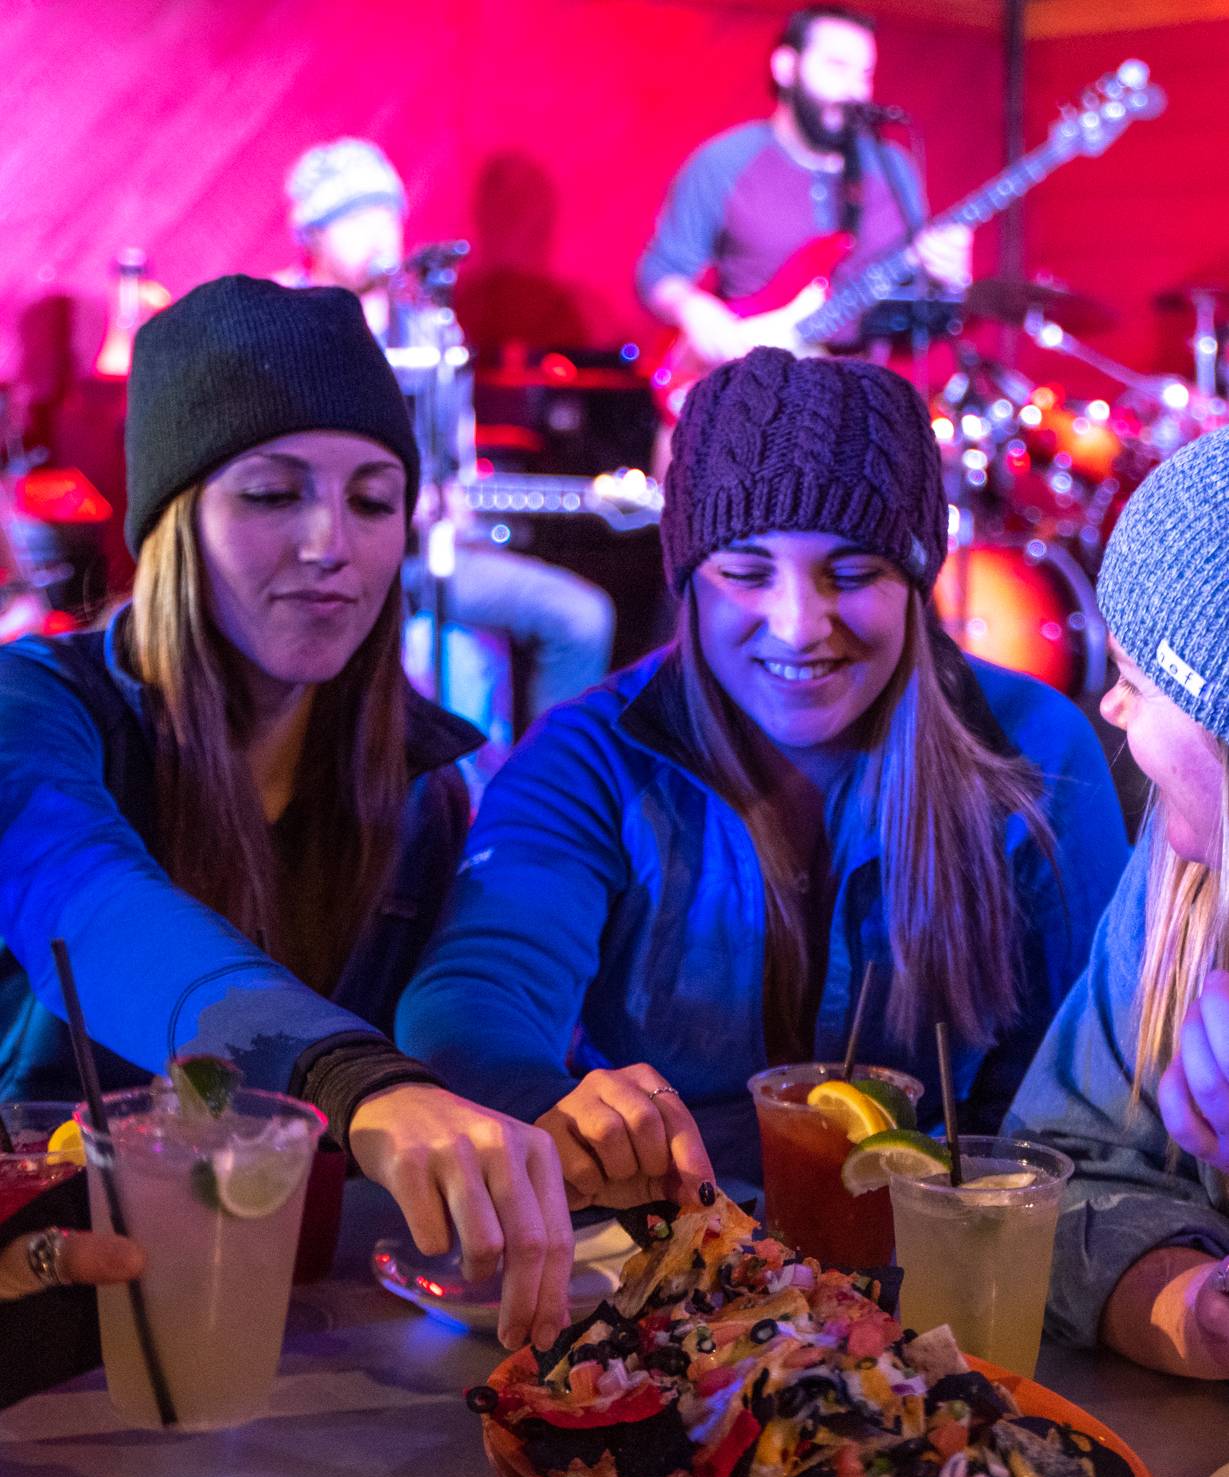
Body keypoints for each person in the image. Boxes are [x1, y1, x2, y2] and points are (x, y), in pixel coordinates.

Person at [0, 275, 584, 1351]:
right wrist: (350, 1084)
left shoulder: (420, 788)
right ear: (175, 522)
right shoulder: (33, 712)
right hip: (39, 1327)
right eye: (272, 494)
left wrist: (552, 1106)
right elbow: (90, 902)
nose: (332, 544)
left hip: (288, 1351)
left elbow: (454, 1034)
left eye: (371, 500)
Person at [397, 347, 1126, 1201]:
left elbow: (1080, 1081)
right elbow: (473, 993)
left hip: (940, 1243)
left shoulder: (1034, 748)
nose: (797, 626)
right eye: (746, 573)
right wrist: (551, 1114)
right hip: (665, 1246)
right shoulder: (589, 753)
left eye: (852, 573)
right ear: (688, 583)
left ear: (917, 581)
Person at [1005, 426, 1229, 1380]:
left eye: (1136, 680)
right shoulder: (1180, 864)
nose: (1109, 706)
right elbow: (1059, 1174)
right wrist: (1192, 1306)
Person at [280, 138, 616, 727]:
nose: (377, 233)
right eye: (352, 218)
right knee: (454, 668)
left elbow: (452, 463)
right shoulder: (277, 323)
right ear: (311, 236)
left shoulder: (430, 330)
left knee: (582, 618)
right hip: (321, 561)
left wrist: (455, 503)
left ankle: (541, 799)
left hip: (429, 560)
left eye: (385, 213)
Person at [637, 6, 971, 376]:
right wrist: (692, 308)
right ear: (785, 67)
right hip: (752, 391)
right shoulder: (724, 162)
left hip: (858, 399)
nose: (854, 91)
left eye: (865, 74)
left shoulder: (892, 168)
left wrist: (948, 280)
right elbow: (661, 270)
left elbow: (917, 314)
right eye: (836, 67)